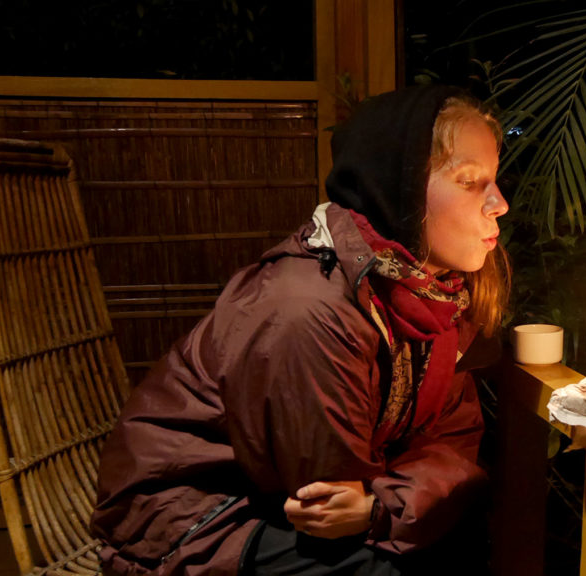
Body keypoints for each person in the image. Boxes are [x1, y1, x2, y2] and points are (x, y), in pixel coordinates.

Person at [90, 85, 511, 575]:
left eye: (495, 181)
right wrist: (385, 504)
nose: (498, 203)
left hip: (296, 497)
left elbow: (455, 440)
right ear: (398, 185)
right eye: (469, 181)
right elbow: (325, 500)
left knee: (461, 533)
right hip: (193, 516)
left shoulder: (434, 295)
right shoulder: (311, 306)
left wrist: (382, 505)